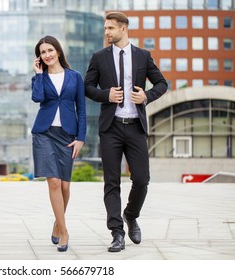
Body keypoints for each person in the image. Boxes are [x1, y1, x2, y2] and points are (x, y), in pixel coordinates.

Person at [84, 11, 167, 253]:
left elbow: (162, 83)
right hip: (110, 128)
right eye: (105, 28)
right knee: (111, 183)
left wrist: (146, 96)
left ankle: (131, 215)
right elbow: (87, 87)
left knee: (142, 179)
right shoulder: (99, 57)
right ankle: (117, 233)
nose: (106, 32)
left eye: (110, 28)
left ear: (123, 29)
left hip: (135, 127)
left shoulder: (143, 56)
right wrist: (105, 94)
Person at [31, 35, 86, 252]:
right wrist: (38, 75)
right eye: (43, 52)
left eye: (50, 50)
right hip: (43, 133)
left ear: (58, 51)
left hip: (67, 135)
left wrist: (80, 138)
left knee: (64, 186)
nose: (47, 55)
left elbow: (81, 109)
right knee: (53, 182)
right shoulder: (40, 77)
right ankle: (64, 231)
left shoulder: (75, 76)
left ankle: (57, 222)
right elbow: (37, 98)